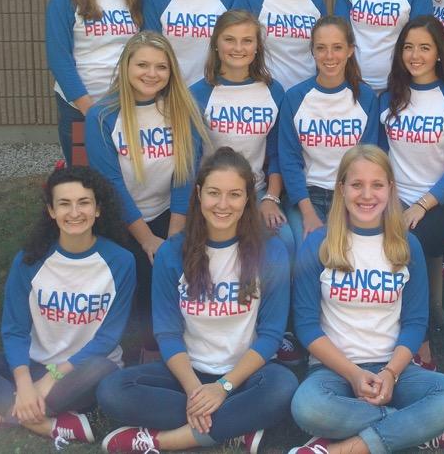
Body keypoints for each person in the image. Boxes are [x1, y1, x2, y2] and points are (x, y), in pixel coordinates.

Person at [97, 147, 298, 453]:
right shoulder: (172, 253)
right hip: (187, 373)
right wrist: (195, 390)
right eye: (214, 193)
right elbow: (167, 332)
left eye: (234, 194)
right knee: (113, 390)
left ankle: (165, 440)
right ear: (199, 194)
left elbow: (271, 334)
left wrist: (223, 387)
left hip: (245, 375)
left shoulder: (270, 253)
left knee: (283, 387)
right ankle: (234, 427)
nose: (223, 204)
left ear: (248, 199)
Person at [288, 145, 444, 454]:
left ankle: (345, 448)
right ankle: (418, 428)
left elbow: (414, 323)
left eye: (377, 185)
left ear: (391, 189)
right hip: (333, 371)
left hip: (394, 370)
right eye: (357, 185)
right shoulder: (319, 244)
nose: (367, 195)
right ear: (341, 189)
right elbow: (306, 327)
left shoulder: (407, 245)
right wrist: (354, 374)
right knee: (308, 407)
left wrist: (391, 372)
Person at [0, 165, 135, 448]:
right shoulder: (29, 260)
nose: (74, 212)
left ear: (97, 209)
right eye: (64, 204)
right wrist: (24, 383)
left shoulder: (121, 261)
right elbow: (14, 329)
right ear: (51, 211)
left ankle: (4, 412)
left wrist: (50, 380)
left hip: (83, 372)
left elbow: (108, 338)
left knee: (102, 371)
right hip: (36, 365)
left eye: (84, 202)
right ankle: (47, 423)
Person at [85, 31, 207, 354]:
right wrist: (146, 239)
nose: (151, 74)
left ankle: (168, 347)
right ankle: (128, 351)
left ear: (171, 72)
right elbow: (110, 184)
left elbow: (184, 175)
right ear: (126, 66)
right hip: (117, 219)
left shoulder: (181, 109)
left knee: (172, 267)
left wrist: (173, 237)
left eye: (161, 67)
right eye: (142, 65)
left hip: (169, 213)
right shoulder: (102, 117)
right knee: (134, 272)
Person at [379, 15, 444, 368]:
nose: (414, 55)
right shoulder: (389, 98)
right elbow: (377, 157)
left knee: (409, 244)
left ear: (438, 53)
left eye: (424, 47)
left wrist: (422, 204)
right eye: (408, 47)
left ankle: (421, 341)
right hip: (395, 199)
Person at [190, 9, 294, 258]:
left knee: (286, 241)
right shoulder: (198, 93)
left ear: (257, 46)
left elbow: (276, 152)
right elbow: (190, 160)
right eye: (229, 39)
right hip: (212, 195)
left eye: (247, 40)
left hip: (255, 192)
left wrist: (271, 197)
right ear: (216, 44)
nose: (238, 48)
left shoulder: (273, 91)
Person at [46, 0, 141, 165]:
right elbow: (59, 56)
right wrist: (88, 107)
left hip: (125, 105)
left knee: (123, 175)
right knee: (82, 178)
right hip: (79, 107)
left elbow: (144, 50)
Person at [279, 15, 379, 247]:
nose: (329, 56)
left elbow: (368, 159)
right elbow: (290, 161)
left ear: (350, 50)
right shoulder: (294, 98)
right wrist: (307, 213)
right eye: (321, 48)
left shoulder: (365, 98)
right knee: (308, 249)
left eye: (337, 48)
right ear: (312, 51)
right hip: (307, 196)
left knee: (347, 251)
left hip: (350, 195)